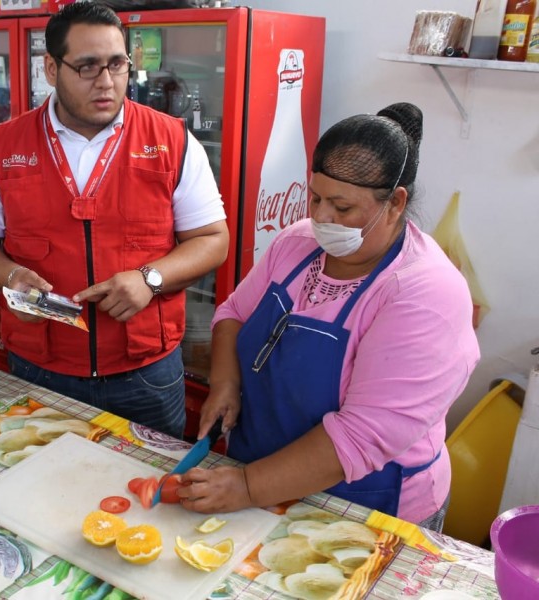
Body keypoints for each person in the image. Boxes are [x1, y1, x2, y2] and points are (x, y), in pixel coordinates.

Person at [178, 103, 480, 530]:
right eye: (316, 198)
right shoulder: (296, 244)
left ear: (394, 203)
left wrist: (246, 486)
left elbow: (359, 437)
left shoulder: (425, 293)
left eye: (342, 208)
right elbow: (233, 315)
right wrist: (226, 384)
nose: (321, 218)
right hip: (263, 473)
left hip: (366, 505)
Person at [0, 2, 228, 439]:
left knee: (148, 495)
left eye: (117, 64)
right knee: (39, 486)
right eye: (87, 67)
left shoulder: (171, 141)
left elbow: (213, 239)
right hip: (41, 367)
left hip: (146, 373)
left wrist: (149, 278)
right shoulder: (3, 147)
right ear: (50, 68)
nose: (106, 82)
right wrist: (11, 274)